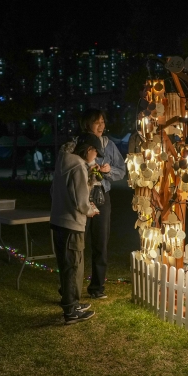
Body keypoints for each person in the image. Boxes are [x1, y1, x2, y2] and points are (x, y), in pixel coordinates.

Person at [50, 133, 101, 325]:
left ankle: (71, 302)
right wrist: (90, 211)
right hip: (72, 224)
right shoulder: (79, 166)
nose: (96, 156)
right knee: (73, 266)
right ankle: (70, 311)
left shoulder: (63, 162)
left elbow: (54, 191)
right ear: (88, 149)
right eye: (95, 152)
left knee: (66, 265)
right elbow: (81, 202)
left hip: (58, 220)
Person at [80, 108, 126, 300]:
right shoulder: (78, 143)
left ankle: (97, 287)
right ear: (87, 124)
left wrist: (107, 170)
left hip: (102, 196)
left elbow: (121, 170)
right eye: (96, 122)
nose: (101, 126)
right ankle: (72, 284)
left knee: (101, 242)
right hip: (82, 195)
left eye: (102, 122)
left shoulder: (109, 145)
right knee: (77, 242)